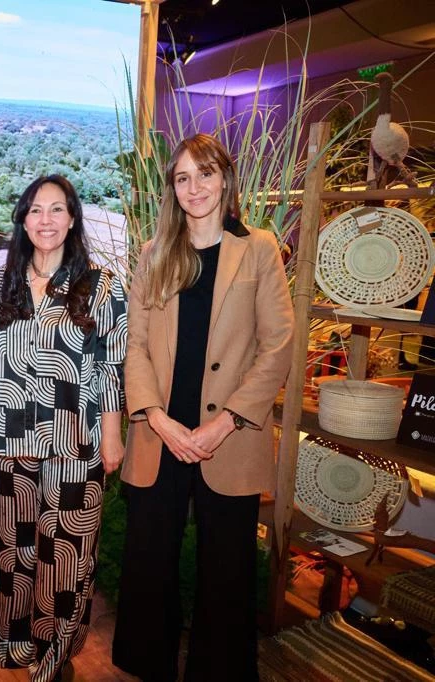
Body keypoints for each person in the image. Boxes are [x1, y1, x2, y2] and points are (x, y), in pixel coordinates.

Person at [111, 134, 293, 681]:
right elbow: (135, 344)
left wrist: (226, 421)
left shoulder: (258, 248)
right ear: (172, 187)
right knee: (149, 563)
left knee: (227, 570)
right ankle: (149, 664)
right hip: (158, 434)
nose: (195, 188)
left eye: (205, 174)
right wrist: (156, 417)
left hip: (229, 438)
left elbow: (278, 343)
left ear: (225, 179)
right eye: (183, 177)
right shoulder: (154, 252)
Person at [0, 174, 127, 682]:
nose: (46, 220)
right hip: (8, 440)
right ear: (22, 218)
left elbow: (110, 366)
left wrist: (112, 434)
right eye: (36, 210)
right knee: (12, 547)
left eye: (57, 209)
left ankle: (54, 652)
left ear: (72, 219)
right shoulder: (0, 283)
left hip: (74, 442)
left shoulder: (101, 284)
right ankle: (13, 641)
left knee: (65, 552)